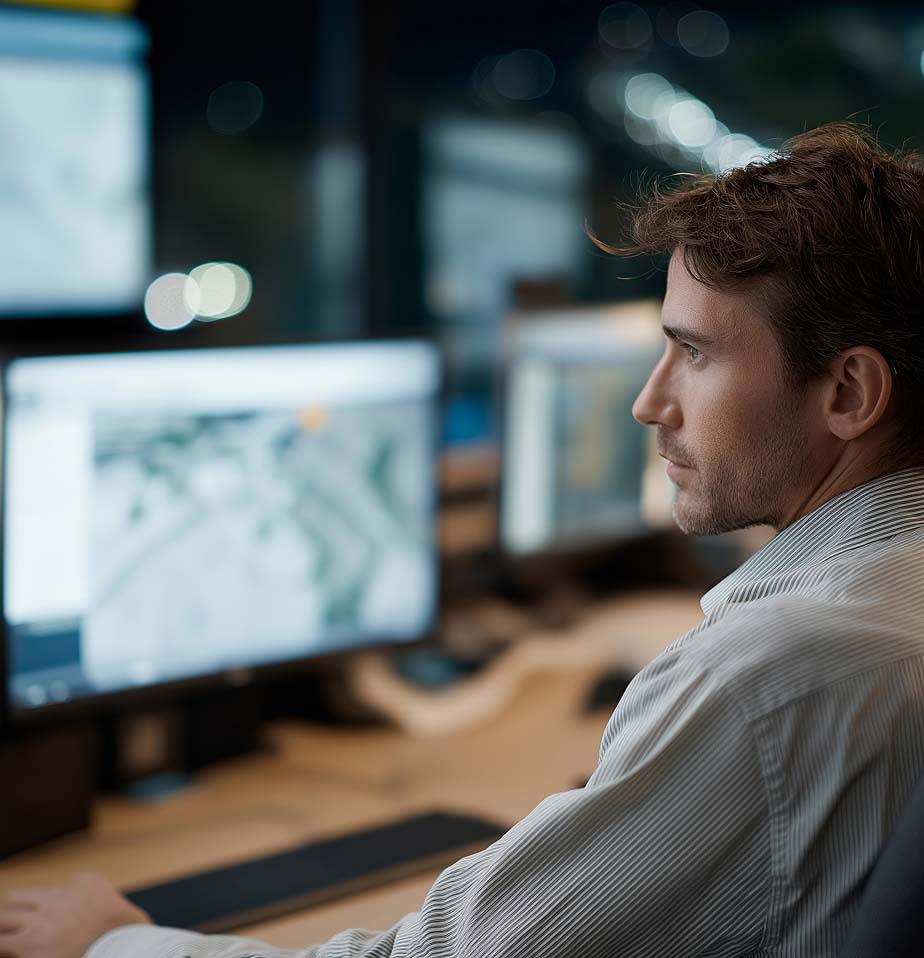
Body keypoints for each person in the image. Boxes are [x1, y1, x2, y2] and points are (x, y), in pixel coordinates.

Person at [4, 121, 924, 958]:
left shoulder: (780, 671)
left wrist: (113, 944)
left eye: (695, 353)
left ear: (848, 393)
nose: (651, 403)